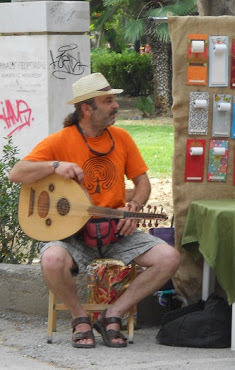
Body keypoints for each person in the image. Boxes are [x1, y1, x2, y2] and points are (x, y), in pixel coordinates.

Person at [8, 73, 180, 349]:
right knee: (51, 260)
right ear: (87, 109)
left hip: (116, 232)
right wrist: (55, 166)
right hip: (73, 235)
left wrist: (133, 206)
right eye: (108, 100)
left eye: (114, 99)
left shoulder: (121, 138)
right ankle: (80, 319)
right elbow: (16, 173)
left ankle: (112, 314)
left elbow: (142, 183)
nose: (116, 105)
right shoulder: (60, 141)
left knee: (168, 257)